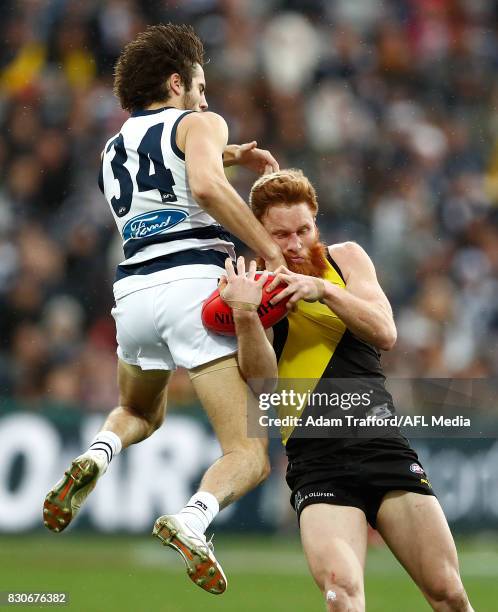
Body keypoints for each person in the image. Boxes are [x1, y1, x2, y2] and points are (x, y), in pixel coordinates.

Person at [42, 23, 284, 596]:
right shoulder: (199, 121)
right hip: (195, 288)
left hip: (132, 295)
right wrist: (270, 249)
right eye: (200, 85)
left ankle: (98, 454)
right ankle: (194, 520)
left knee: (140, 413)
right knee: (249, 451)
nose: (206, 98)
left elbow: (164, 166)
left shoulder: (112, 147)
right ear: (177, 82)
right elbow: (200, 184)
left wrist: (228, 154)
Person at [227, 169, 474, 611]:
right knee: (341, 596)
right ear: (257, 230)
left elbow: (385, 332)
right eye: (280, 234)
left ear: (316, 222)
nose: (295, 243)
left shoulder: (345, 259)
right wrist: (246, 317)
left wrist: (322, 290)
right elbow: (264, 385)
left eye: (304, 229)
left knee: (448, 593)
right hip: (317, 461)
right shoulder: (250, 287)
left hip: (383, 447)